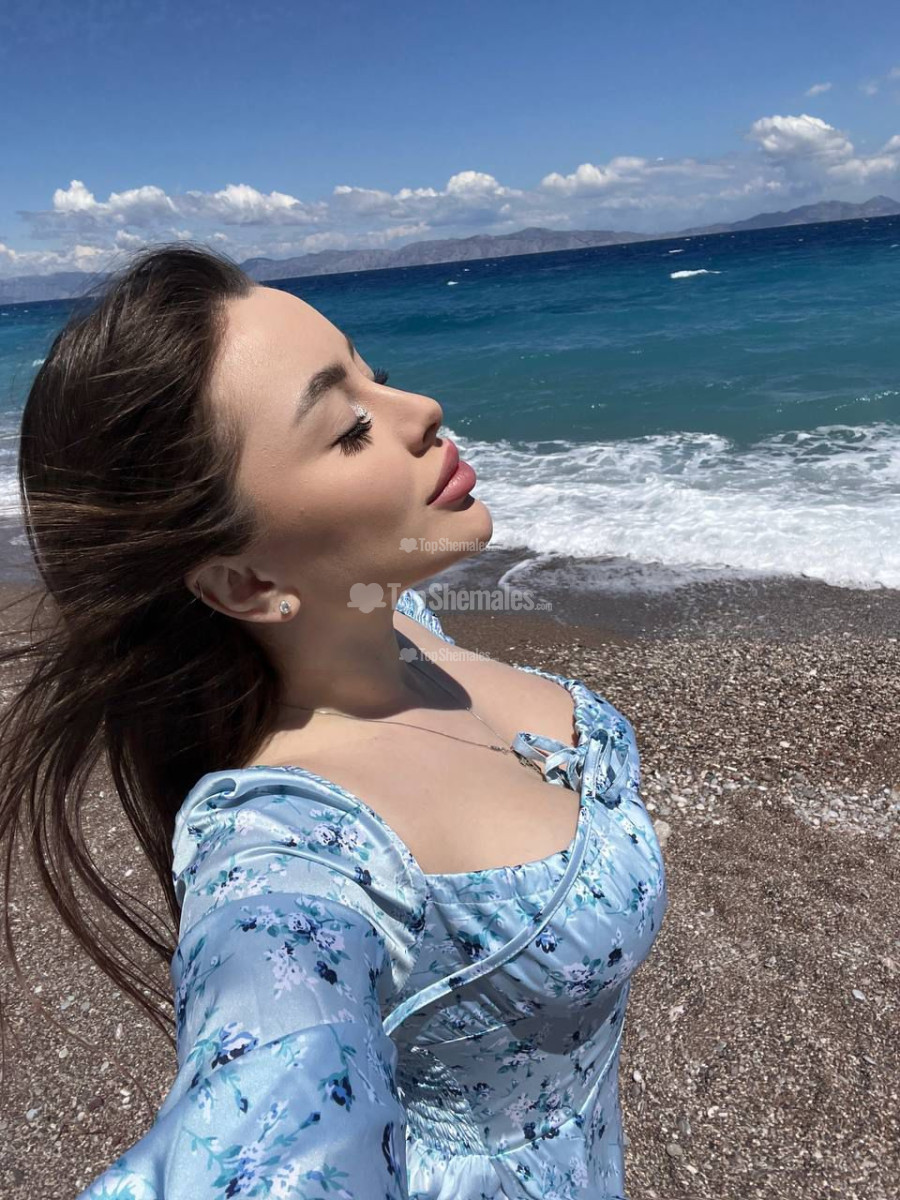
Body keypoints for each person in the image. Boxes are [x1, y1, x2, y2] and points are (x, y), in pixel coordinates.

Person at [1, 244, 668, 1199]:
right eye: (350, 428)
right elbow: (259, 1126)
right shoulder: (292, 848)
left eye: (374, 373)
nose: (420, 409)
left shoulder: (398, 624)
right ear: (246, 582)